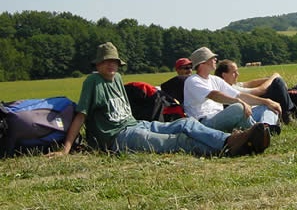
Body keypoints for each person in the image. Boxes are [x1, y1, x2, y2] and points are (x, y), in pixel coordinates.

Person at [49, 42, 270, 158]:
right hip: (116, 138)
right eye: (106, 62)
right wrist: (66, 149)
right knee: (176, 141)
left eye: (114, 62)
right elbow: (81, 115)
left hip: (134, 125)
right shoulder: (93, 82)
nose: (111, 65)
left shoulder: (117, 79)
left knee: (185, 123)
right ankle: (230, 145)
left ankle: (232, 140)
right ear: (97, 64)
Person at [183, 47, 282, 134]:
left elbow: (238, 95)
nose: (215, 59)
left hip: (224, 117)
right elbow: (214, 95)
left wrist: (267, 101)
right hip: (205, 122)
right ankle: (258, 130)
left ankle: (266, 128)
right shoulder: (192, 81)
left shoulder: (215, 79)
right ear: (203, 62)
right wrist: (238, 102)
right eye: (212, 58)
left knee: (266, 107)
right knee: (238, 108)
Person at [214, 59, 296, 124]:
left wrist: (270, 78)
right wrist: (275, 77)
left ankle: (286, 115)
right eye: (234, 72)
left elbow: (250, 83)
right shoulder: (229, 89)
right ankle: (286, 116)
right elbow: (259, 91)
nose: (237, 74)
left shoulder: (234, 84)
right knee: (277, 83)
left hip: (252, 107)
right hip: (250, 112)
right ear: (224, 75)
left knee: (278, 83)